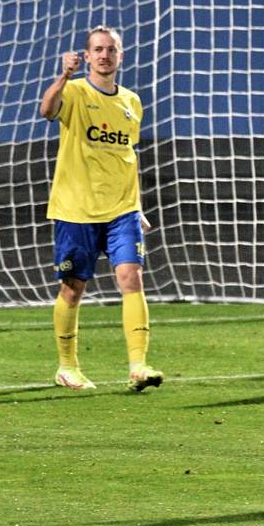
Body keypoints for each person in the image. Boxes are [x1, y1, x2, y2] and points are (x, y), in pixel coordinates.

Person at [39, 25, 163, 392]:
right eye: (98, 49)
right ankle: (66, 367)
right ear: (87, 56)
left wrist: (137, 207)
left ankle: (139, 366)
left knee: (131, 277)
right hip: (76, 209)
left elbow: (126, 157)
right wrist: (63, 75)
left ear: (119, 56)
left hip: (121, 210)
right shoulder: (75, 91)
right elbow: (47, 111)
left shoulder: (132, 102)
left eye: (111, 49)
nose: (105, 55)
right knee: (73, 287)